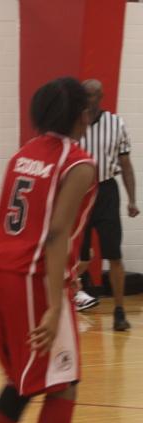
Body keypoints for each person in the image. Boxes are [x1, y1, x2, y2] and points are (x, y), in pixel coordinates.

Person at [0, 77, 96, 423]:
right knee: (62, 383)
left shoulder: (22, 154)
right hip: (32, 278)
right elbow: (57, 233)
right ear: (83, 114)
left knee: (22, 379)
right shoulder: (78, 163)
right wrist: (56, 304)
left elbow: (2, 216)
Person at [75, 79, 138, 329]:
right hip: (78, 192)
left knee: (113, 254)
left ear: (101, 97)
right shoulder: (72, 123)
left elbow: (126, 164)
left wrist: (132, 199)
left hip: (106, 191)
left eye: (92, 95)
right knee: (77, 256)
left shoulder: (115, 123)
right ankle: (66, 299)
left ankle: (119, 311)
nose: (88, 99)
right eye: (85, 95)